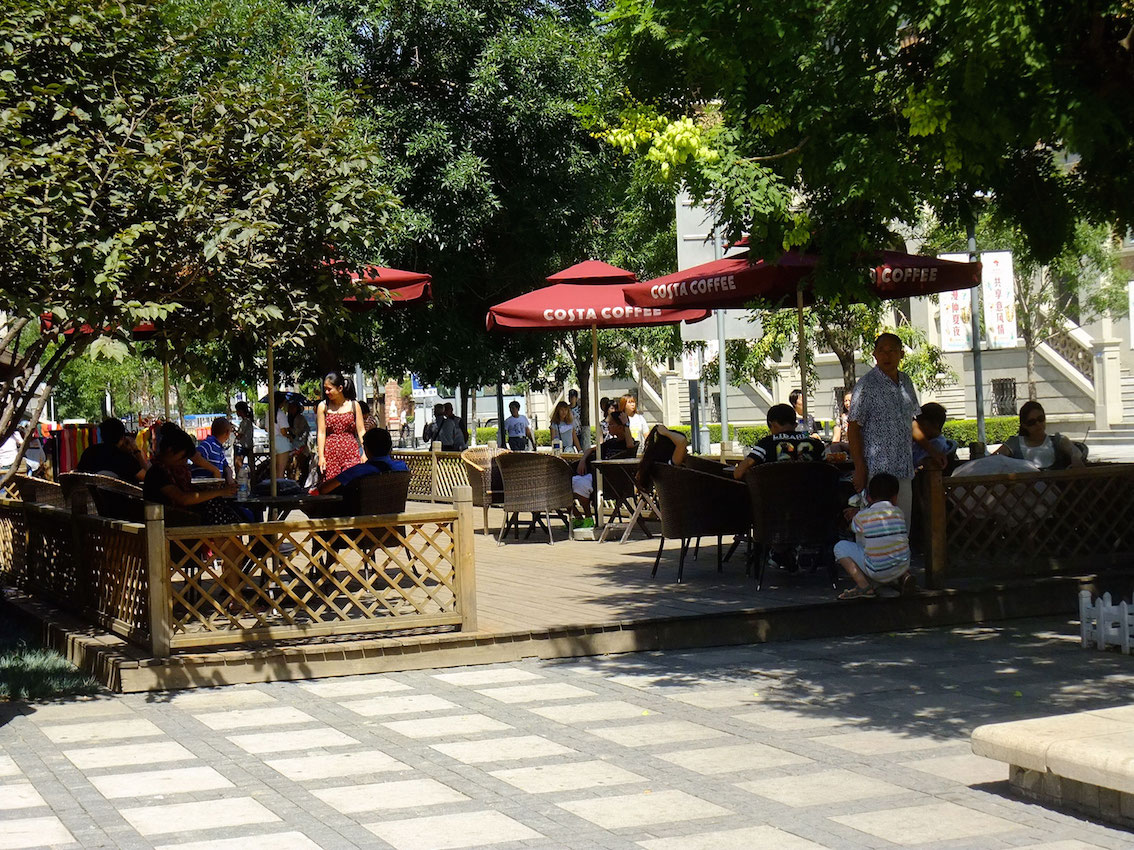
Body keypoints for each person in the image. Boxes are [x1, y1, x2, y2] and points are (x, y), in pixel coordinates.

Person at [144, 425, 245, 609]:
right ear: (170, 451)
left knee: (231, 541)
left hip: (181, 525)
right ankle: (235, 595)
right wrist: (219, 492)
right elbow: (183, 498)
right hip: (176, 531)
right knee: (229, 541)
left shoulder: (169, 471)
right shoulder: (159, 473)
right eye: (182, 458)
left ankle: (235, 593)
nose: (184, 462)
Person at [848, 332, 943, 524]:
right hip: (877, 470)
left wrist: (932, 450)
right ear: (874, 354)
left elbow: (911, 422)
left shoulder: (906, 381)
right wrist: (859, 467)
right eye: (882, 351)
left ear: (901, 354)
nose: (887, 355)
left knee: (902, 524)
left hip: (904, 467)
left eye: (892, 350)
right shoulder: (865, 386)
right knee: (877, 526)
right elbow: (853, 427)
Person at [834, 473, 915, 600]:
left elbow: (852, 528)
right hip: (902, 566)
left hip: (877, 571)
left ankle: (864, 586)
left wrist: (853, 518)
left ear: (869, 497)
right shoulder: (899, 513)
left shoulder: (863, 516)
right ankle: (902, 577)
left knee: (840, 547)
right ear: (895, 498)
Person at [732, 404, 826, 479]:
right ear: (795, 424)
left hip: (776, 495)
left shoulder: (766, 443)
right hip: (813, 495)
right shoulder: (816, 443)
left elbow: (738, 474)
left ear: (772, 424)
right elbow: (829, 470)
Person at [572, 408, 637, 515]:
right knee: (566, 485)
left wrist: (626, 425)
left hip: (612, 482)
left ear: (620, 427)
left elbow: (630, 446)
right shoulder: (611, 442)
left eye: (611, 424)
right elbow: (590, 450)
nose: (608, 427)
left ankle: (588, 516)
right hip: (597, 476)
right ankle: (579, 517)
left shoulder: (627, 443)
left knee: (580, 484)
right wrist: (582, 460)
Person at [995, 400, 1084, 470]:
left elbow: (1075, 451)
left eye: (1040, 419)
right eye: (1032, 422)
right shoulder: (1014, 443)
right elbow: (994, 459)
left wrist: (1075, 458)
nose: (1038, 424)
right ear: (1024, 425)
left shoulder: (1058, 440)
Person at [317, 428, 409, 493]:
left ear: (366, 449)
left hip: (364, 512)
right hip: (394, 510)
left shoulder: (357, 471)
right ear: (390, 447)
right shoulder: (401, 467)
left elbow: (324, 489)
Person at [317, 370, 367, 481]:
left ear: (340, 388)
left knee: (352, 483)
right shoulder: (323, 407)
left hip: (351, 452)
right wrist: (321, 456)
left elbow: (361, 431)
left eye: (329, 389)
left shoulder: (354, 405)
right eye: (325, 389)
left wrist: (365, 452)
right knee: (332, 484)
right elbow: (321, 433)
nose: (326, 392)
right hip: (330, 454)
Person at [76, 417, 147, 482]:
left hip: (90, 491)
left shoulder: (89, 452)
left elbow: (77, 475)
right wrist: (136, 451)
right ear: (122, 438)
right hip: (121, 492)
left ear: (101, 435)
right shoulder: (125, 459)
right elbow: (147, 478)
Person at [635, 424, 688, 489]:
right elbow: (682, 441)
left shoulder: (654, 463)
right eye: (684, 448)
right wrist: (666, 432)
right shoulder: (671, 465)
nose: (687, 450)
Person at [195, 417, 235, 484]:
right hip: (203, 486)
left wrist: (229, 477)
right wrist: (215, 470)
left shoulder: (219, 448)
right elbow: (195, 456)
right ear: (227, 433)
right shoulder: (209, 444)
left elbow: (226, 466)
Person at [911, 402, 949, 469]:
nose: (918, 429)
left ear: (935, 424)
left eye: (922, 424)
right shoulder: (930, 441)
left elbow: (914, 462)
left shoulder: (937, 444)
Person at [288, 398, 312, 483]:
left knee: (299, 467)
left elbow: (297, 432)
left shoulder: (299, 418)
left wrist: (288, 429)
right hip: (295, 446)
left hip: (301, 447)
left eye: (293, 407)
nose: (291, 409)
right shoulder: (291, 418)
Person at [271, 393, 291, 479]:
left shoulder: (268, 413)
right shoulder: (281, 414)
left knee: (275, 470)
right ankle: (280, 486)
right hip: (282, 442)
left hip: (272, 441)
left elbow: (266, 428)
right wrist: (290, 437)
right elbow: (283, 431)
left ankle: (275, 486)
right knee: (281, 471)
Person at [233, 401, 255, 474]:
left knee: (238, 466)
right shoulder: (248, 421)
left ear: (241, 411)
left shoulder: (244, 422)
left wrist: (233, 430)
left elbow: (239, 436)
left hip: (241, 446)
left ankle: (239, 479)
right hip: (248, 446)